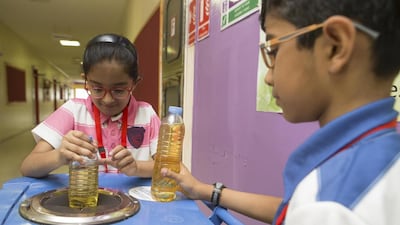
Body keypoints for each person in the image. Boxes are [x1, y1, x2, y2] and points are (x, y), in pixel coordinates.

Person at [162, 0, 400, 224]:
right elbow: (295, 208)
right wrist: (203, 190)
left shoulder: (331, 205)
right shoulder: (378, 162)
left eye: (273, 49)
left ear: (335, 46)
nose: (268, 77)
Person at [20, 33, 161, 178]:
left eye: (118, 91)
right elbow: (28, 167)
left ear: (134, 83)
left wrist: (137, 168)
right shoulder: (73, 111)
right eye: (98, 89)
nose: (107, 100)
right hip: (88, 198)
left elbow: (168, 167)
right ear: (86, 81)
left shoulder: (146, 114)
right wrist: (59, 156)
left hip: (133, 199)